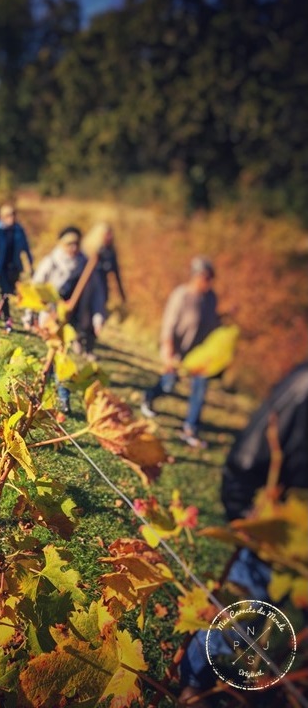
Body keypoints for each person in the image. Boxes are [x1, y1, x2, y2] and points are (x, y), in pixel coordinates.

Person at [178, 361, 308, 705]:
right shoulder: (303, 385)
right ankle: (192, 682)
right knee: (240, 611)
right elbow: (248, 459)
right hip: (276, 534)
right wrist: (244, 522)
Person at [141, 256, 221, 448]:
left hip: (200, 355)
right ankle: (150, 396)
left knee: (200, 390)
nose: (209, 282)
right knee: (169, 384)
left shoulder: (211, 298)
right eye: (206, 278)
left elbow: (213, 324)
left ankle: (190, 429)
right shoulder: (182, 295)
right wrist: (168, 352)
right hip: (177, 349)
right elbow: (169, 325)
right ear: (196, 277)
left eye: (211, 278)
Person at [30, 226, 106, 413]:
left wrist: (98, 317)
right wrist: (31, 314)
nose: (73, 248)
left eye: (76, 244)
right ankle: (41, 390)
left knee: (62, 357)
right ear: (62, 244)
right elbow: (35, 288)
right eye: (69, 244)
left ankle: (61, 397)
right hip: (51, 316)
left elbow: (96, 294)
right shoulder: (51, 262)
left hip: (72, 321)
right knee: (53, 355)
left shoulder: (85, 265)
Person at [0, 203, 33, 333]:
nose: (12, 218)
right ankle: (7, 319)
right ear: (2, 217)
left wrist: (30, 264)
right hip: (1, 265)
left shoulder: (19, 230)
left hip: (15, 266)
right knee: (5, 292)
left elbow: (26, 248)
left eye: (13, 215)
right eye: (8, 215)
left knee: (10, 292)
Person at [82, 221, 127, 306]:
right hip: (88, 292)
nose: (110, 237)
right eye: (107, 235)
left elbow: (116, 274)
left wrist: (122, 296)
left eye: (110, 234)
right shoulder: (89, 252)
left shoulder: (110, 252)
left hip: (102, 292)